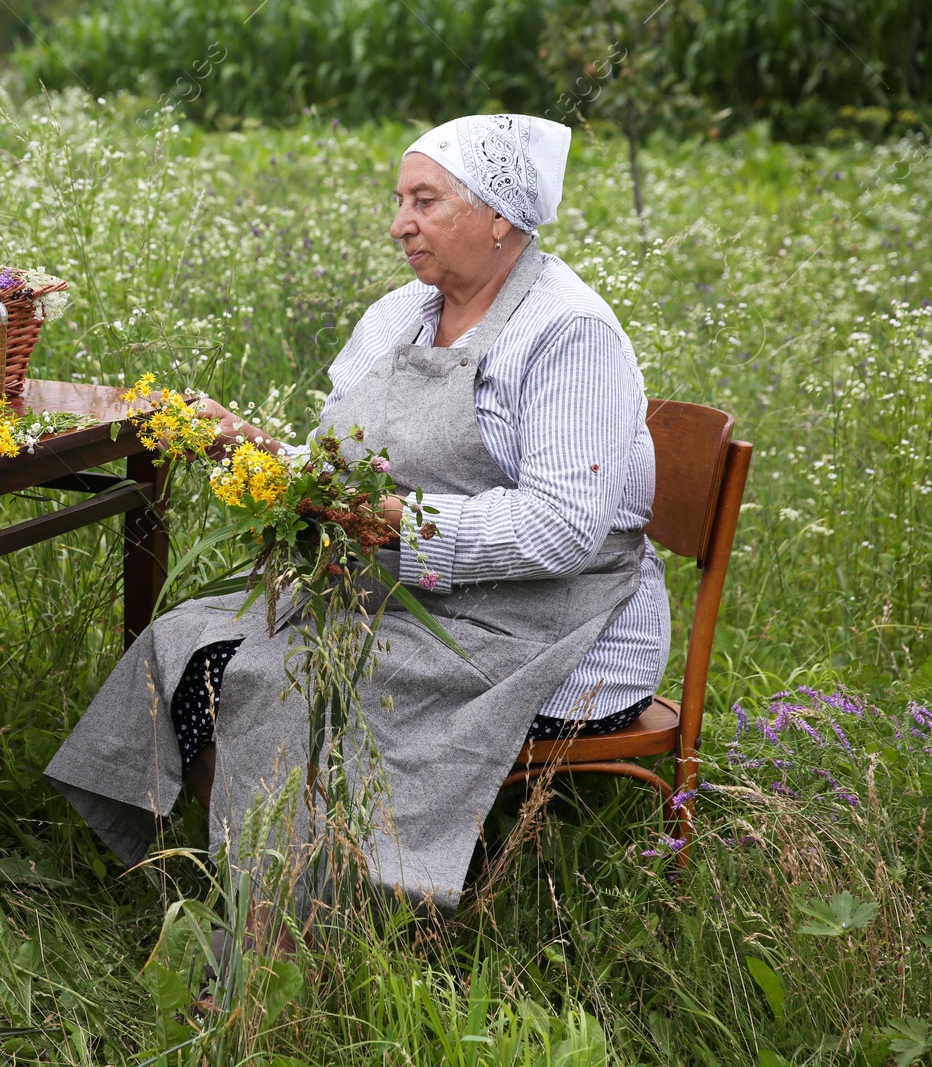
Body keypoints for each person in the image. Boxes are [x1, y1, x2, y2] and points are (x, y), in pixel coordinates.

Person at [47, 114, 668, 913]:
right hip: (405, 590)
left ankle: (308, 934)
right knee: (189, 639)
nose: (398, 223)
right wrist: (256, 449)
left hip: (548, 624)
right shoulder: (400, 315)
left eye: (423, 200)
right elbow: (340, 467)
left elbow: (563, 527)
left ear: (501, 216)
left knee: (280, 684)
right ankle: (239, 884)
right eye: (399, 199)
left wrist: (396, 525)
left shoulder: (567, 332)